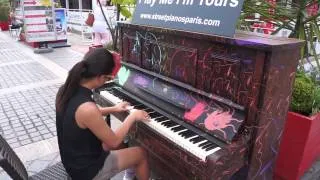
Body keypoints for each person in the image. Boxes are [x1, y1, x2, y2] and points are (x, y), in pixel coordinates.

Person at [55, 48, 150, 180]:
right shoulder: (87, 109)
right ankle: (132, 172)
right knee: (140, 154)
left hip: (72, 160)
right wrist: (132, 116)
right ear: (100, 77)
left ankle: (129, 175)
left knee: (121, 145)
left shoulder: (65, 90)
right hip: (87, 172)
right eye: (108, 78)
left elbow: (80, 115)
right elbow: (113, 141)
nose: (107, 81)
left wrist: (114, 108)